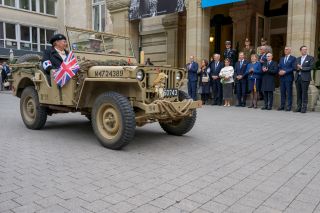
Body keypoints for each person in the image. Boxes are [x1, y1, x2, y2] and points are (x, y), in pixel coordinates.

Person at [294, 46, 315, 113]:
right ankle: (299, 107)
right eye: (303, 50)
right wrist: (297, 68)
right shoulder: (297, 58)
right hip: (298, 78)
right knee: (298, 93)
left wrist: (302, 67)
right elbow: (295, 67)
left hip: (305, 78)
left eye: (306, 49)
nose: (305, 51)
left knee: (304, 93)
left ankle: (304, 108)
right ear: (300, 51)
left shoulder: (310, 58)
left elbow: (311, 67)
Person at [278, 46, 296, 111]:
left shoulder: (293, 58)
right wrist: (279, 71)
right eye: (285, 49)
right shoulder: (282, 58)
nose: (285, 50)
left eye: (287, 49)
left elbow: (293, 67)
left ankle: (289, 106)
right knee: (282, 92)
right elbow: (279, 66)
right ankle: (282, 106)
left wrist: (285, 71)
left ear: (290, 51)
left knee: (289, 92)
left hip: (288, 78)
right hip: (282, 78)